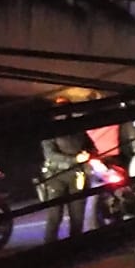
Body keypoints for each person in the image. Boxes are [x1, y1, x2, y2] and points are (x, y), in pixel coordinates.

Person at [40, 98, 98, 243]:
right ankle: (49, 248)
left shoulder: (77, 127)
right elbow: (50, 155)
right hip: (56, 176)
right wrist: (74, 159)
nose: (64, 114)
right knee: (55, 215)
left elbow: (91, 146)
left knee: (77, 214)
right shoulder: (49, 129)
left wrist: (89, 153)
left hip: (78, 176)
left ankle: (76, 246)